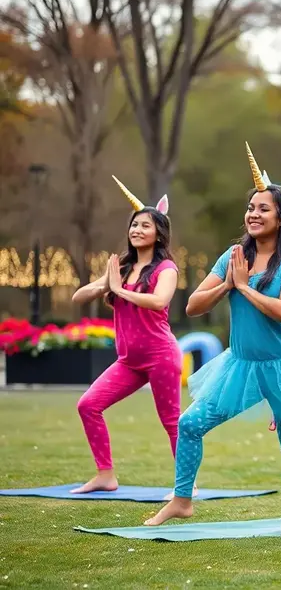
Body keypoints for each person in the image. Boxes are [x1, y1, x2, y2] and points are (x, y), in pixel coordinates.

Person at [145, 144, 281, 538]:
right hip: (240, 364)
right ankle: (182, 500)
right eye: (251, 208)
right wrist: (228, 282)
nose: (253, 214)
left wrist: (244, 288)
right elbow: (193, 305)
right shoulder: (233, 256)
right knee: (190, 424)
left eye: (263, 208)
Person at [69, 179, 180, 494]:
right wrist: (106, 284)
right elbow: (79, 298)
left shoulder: (166, 268)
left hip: (160, 356)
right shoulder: (122, 267)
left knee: (172, 421)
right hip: (129, 362)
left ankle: (187, 484)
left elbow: (159, 301)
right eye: (134, 225)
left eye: (145, 225)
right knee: (88, 405)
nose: (137, 230)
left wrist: (120, 290)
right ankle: (105, 475)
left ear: (159, 233)